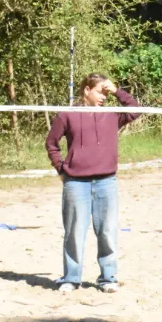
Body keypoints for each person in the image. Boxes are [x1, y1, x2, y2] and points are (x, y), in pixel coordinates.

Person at [46, 74, 140, 294]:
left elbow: (135, 109)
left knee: (107, 231)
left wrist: (116, 91)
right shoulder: (68, 114)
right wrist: (61, 168)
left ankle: (108, 278)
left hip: (107, 181)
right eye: (100, 92)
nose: (103, 97)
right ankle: (71, 277)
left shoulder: (112, 114)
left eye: (106, 94)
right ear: (86, 90)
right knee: (74, 232)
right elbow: (52, 143)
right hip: (76, 183)